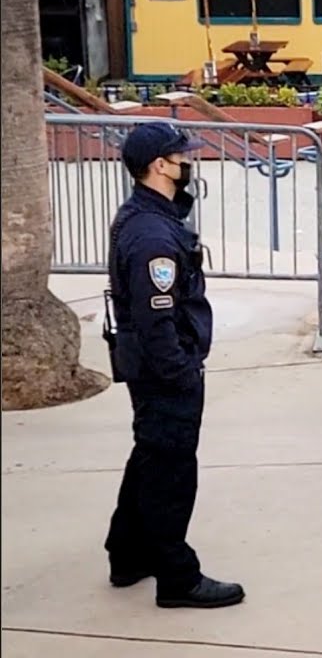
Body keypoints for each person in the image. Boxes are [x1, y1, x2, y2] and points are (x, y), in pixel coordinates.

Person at [103, 122, 244, 608]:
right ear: (159, 166)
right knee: (171, 472)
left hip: (153, 365)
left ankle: (128, 553)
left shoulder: (149, 217)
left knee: (151, 455)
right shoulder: (152, 235)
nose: (189, 164)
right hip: (163, 368)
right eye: (182, 157)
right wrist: (181, 372)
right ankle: (177, 577)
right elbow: (156, 317)